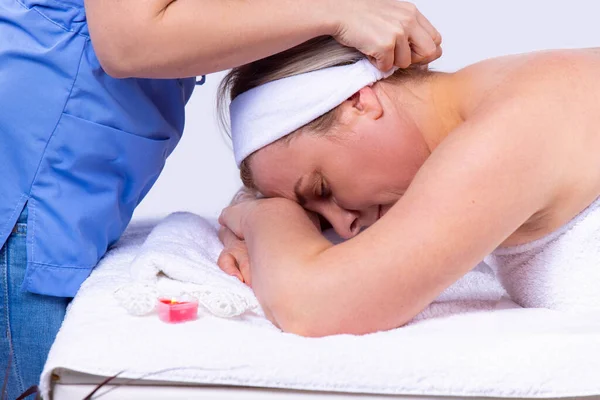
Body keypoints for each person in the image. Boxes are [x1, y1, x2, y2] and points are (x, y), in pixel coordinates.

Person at [0, 0, 442, 397]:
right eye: (318, 197)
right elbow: (125, 39)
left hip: (65, 187)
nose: (347, 227)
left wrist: (260, 208)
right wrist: (341, 12)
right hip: (29, 180)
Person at [217, 37, 600, 337]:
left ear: (358, 102)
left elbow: (315, 307)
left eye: (322, 189)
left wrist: (262, 215)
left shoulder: (514, 124)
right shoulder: (487, 109)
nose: (345, 226)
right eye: (315, 216)